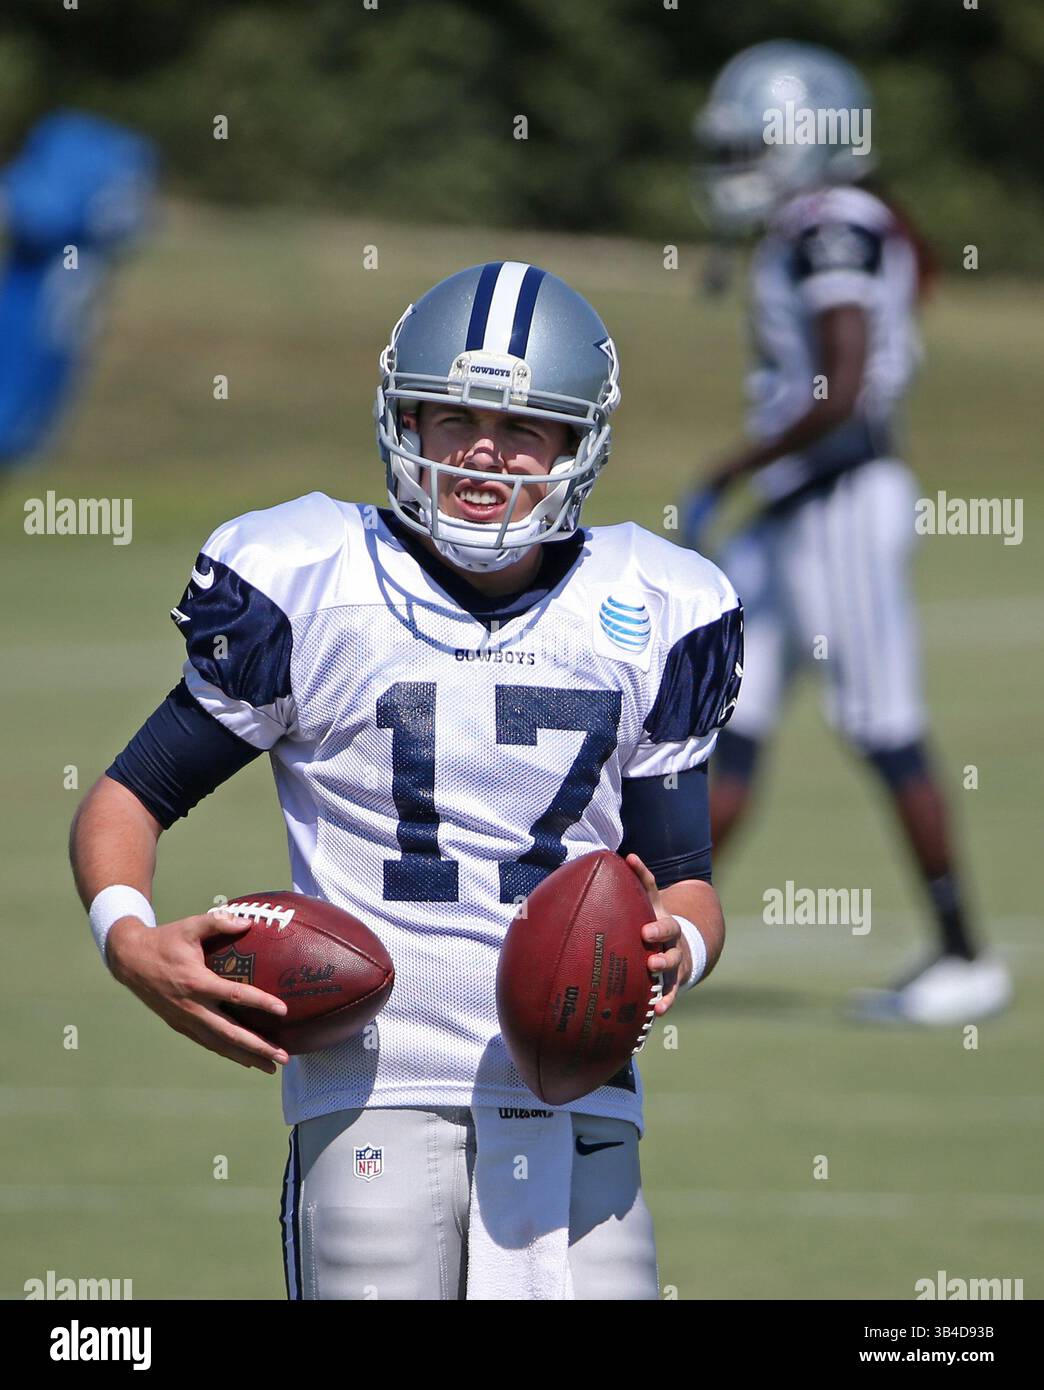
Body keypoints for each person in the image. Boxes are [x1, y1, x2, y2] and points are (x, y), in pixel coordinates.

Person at [70, 261, 744, 1300]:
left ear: (578, 444)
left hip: (579, 1085)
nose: (484, 449)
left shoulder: (658, 602)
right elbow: (127, 798)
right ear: (405, 422)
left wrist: (677, 948)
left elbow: (689, 880)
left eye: (524, 427)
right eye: (453, 416)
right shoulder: (311, 582)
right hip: (369, 1082)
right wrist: (128, 937)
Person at [684, 41, 1010, 1024]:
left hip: (840, 496)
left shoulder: (835, 226)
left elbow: (846, 381)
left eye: (751, 144)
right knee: (726, 723)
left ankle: (964, 954)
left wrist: (730, 467)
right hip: (798, 503)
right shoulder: (810, 223)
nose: (735, 165)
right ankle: (659, 939)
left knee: (880, 722)